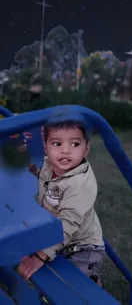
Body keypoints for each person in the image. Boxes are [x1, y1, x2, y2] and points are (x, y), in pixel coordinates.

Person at [18, 110, 105, 287]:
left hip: (83, 246)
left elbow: (67, 226)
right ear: (46, 147)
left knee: (70, 284)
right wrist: (23, 156)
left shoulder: (80, 185)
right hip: (56, 232)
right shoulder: (50, 164)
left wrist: (39, 257)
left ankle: (94, 283)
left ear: (86, 149)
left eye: (74, 144)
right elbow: (38, 171)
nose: (65, 150)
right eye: (57, 143)